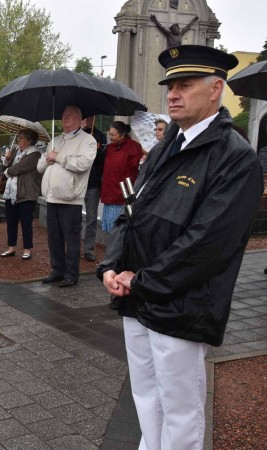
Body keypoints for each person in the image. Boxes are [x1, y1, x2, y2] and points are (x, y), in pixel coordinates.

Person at [98, 45, 263, 450]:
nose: (172, 93)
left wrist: (144, 280)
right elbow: (130, 211)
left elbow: (209, 242)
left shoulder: (233, 156)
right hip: (137, 296)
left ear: (215, 90)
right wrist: (112, 264)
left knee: (180, 408)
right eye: (171, 85)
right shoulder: (165, 148)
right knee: (146, 397)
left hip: (181, 303)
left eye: (185, 85)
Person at [37, 106, 97, 287]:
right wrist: (47, 159)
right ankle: (57, 270)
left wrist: (59, 157)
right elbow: (40, 166)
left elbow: (83, 164)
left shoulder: (88, 141)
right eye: (63, 116)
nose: (65, 119)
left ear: (80, 119)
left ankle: (71, 275)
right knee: (53, 238)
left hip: (71, 199)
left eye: (69, 116)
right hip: (51, 197)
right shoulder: (55, 139)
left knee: (71, 239)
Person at [0, 129, 42, 261]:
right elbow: (5, 168)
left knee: (26, 223)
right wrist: (7, 158)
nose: (19, 140)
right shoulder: (18, 153)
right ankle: (11, 247)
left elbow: (18, 169)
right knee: (11, 221)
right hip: (12, 193)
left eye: (22, 138)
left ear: (30, 140)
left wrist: (6, 172)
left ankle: (27, 249)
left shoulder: (34, 154)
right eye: (18, 138)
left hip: (26, 193)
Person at [101, 121, 144, 232]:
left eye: (113, 135)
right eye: (109, 134)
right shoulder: (109, 148)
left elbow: (137, 170)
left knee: (121, 229)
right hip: (109, 191)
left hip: (124, 192)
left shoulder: (134, 147)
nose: (110, 137)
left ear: (122, 134)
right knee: (109, 229)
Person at [81, 115, 107, 262]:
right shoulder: (77, 134)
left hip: (93, 183)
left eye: (88, 118)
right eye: (83, 118)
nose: (86, 121)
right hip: (77, 181)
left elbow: (104, 159)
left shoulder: (100, 136)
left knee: (91, 219)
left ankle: (88, 249)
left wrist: (98, 150)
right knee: (73, 217)